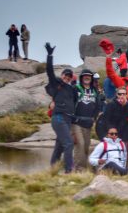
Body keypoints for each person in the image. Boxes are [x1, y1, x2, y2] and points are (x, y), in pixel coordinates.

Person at [44, 42, 77, 173]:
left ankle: (53, 170)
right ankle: (69, 171)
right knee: (68, 144)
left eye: (69, 76)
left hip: (68, 120)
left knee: (59, 146)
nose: (66, 78)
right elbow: (49, 71)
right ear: (62, 75)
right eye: (65, 75)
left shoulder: (71, 89)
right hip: (58, 118)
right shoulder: (56, 84)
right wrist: (50, 55)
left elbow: (76, 100)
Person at [72, 69, 104, 171]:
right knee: (80, 144)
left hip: (88, 123)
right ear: (81, 77)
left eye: (89, 76)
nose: (87, 77)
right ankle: (79, 169)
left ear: (91, 78)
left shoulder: (94, 91)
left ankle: (83, 168)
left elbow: (98, 106)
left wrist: (94, 118)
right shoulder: (75, 89)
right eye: (85, 76)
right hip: (76, 122)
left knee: (86, 147)